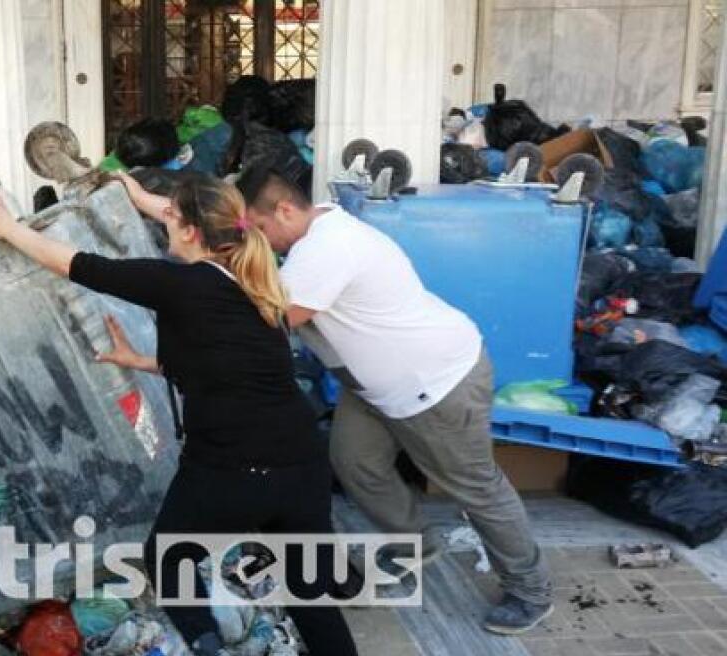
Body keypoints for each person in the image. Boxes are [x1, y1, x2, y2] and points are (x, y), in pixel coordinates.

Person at [0, 175, 359, 655]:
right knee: (308, 595)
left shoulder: (180, 282)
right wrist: (143, 362)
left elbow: (78, 265)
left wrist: (8, 227)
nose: (166, 225)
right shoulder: (257, 286)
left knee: (170, 559)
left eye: (172, 218)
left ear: (191, 231)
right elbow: (228, 367)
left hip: (232, 466)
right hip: (301, 462)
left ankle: (208, 646)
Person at [236, 166, 554, 636]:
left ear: (285, 209)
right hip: (374, 388)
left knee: (476, 488)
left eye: (260, 230)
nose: (261, 241)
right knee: (355, 461)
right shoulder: (318, 231)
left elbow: (275, 320)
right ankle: (416, 543)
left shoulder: (326, 247)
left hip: (435, 384)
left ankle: (530, 590)